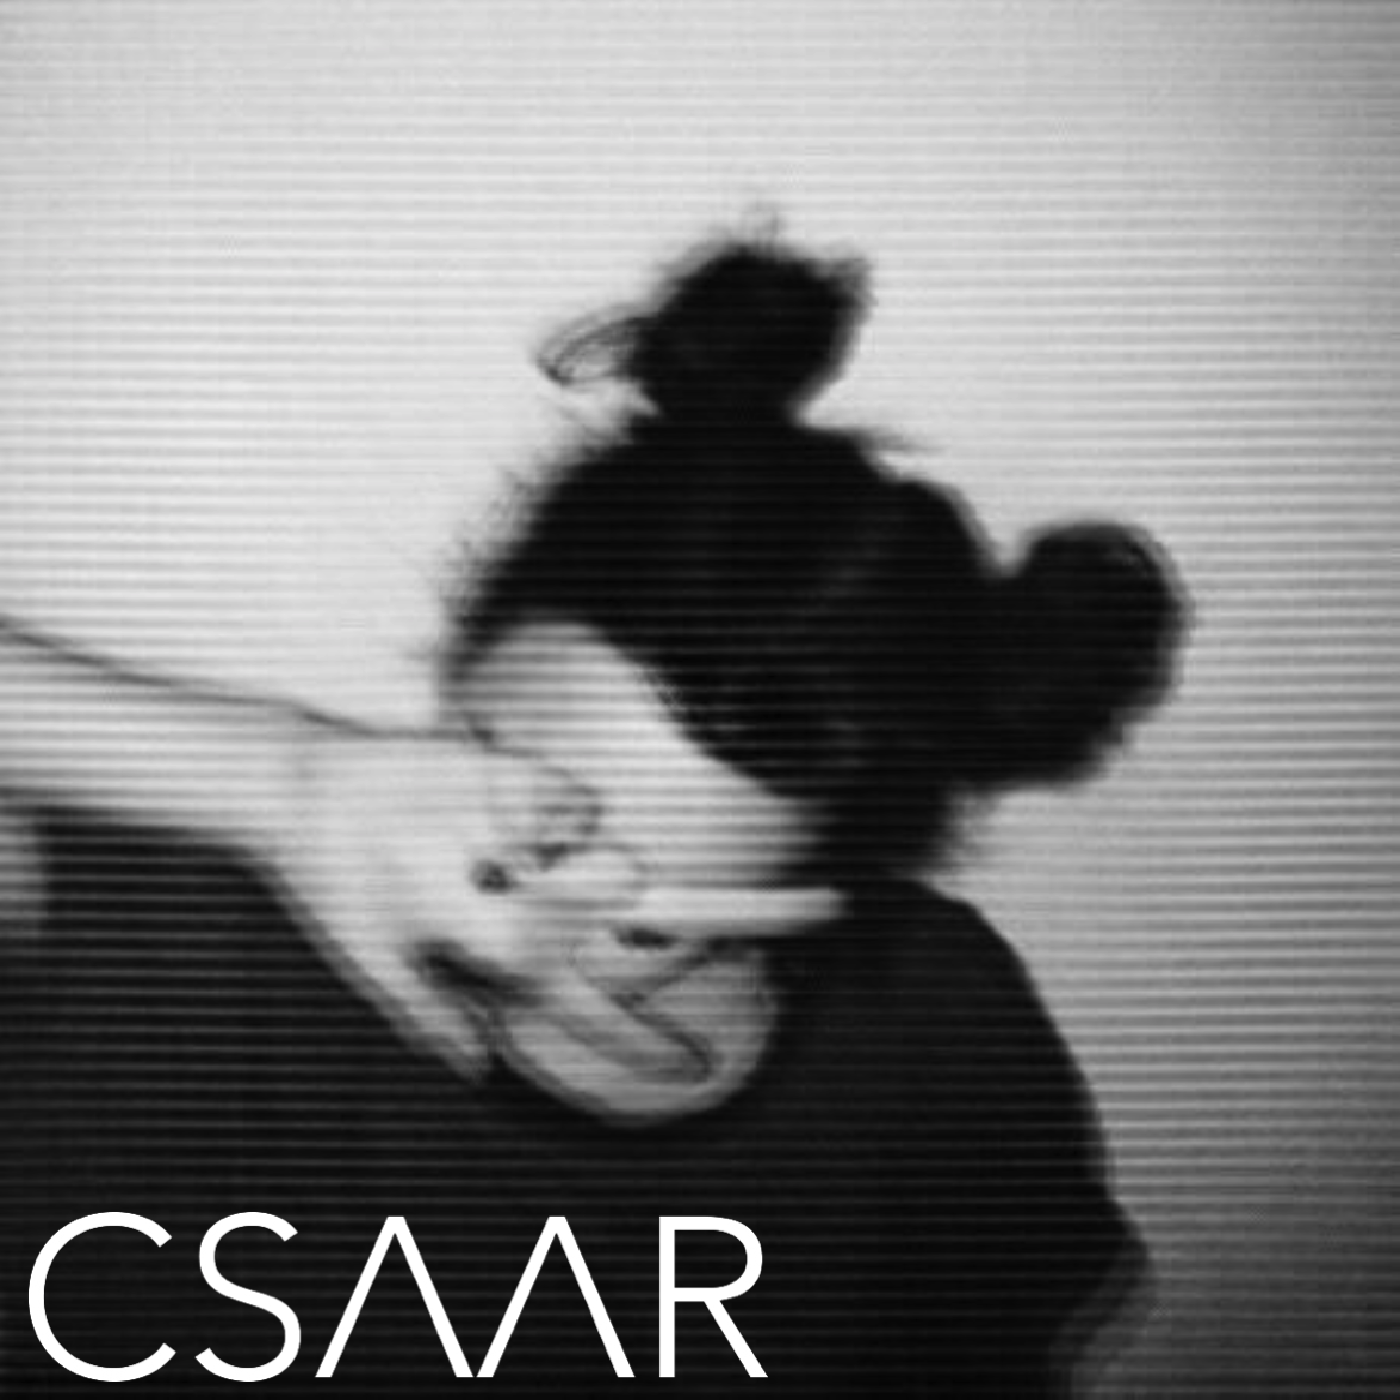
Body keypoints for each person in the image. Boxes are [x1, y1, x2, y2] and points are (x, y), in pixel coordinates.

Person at [0, 234, 1185, 1395]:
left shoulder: (930, 1033)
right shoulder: (182, 932)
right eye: (501, 789)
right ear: (462, 672)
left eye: (645, 910)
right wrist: (282, 777)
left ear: (824, 892)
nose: (510, 908)